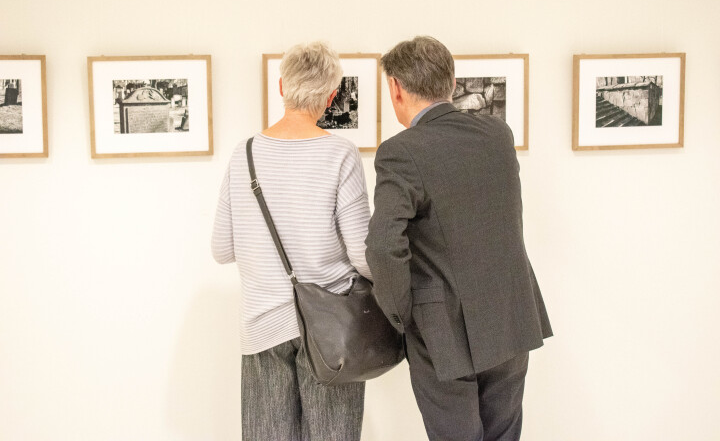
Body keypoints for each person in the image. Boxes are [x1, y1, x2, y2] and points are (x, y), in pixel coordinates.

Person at [365, 36, 552, 441]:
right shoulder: (497, 134)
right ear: (450, 81)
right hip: (510, 316)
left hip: (442, 329)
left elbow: (383, 245)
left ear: (395, 88)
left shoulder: (400, 151)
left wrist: (401, 315)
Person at [211, 41, 370, 440]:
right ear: (332, 96)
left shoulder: (243, 153)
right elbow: (362, 254)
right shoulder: (341, 153)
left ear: (282, 87)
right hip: (330, 328)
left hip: (262, 325)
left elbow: (221, 249)